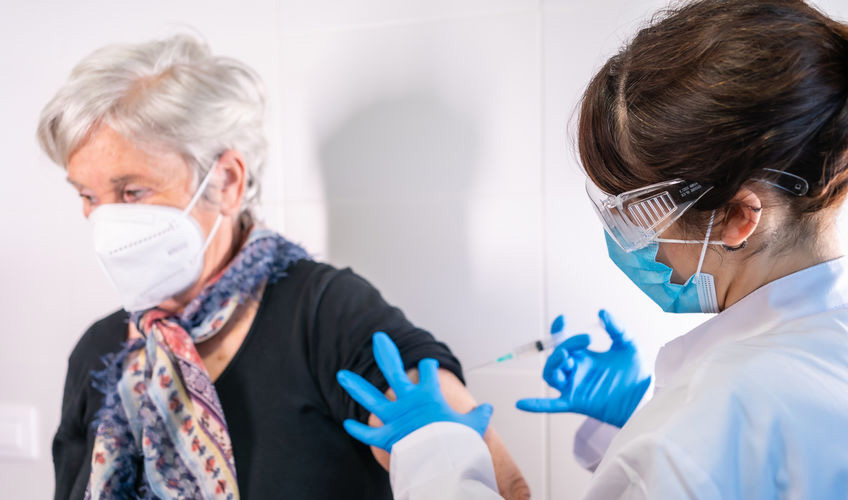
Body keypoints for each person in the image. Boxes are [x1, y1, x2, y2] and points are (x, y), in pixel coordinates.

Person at [336, 0, 848, 498]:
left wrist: (437, 454)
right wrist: (636, 421)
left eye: (642, 214)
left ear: (739, 216)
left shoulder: (699, 433)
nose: (628, 241)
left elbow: (697, 461)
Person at [37, 35, 529, 500]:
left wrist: (435, 442)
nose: (104, 222)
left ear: (227, 180)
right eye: (87, 195)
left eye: (132, 192)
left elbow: (499, 486)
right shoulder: (99, 352)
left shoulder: (326, 315)